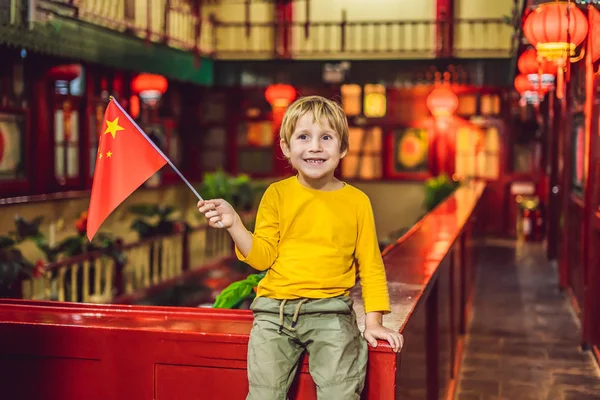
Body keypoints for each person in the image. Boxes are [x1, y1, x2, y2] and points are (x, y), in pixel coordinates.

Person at [198, 95, 403, 400]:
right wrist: (234, 224)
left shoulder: (357, 202)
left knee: (341, 394)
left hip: (330, 312)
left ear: (343, 148)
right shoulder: (276, 195)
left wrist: (374, 322)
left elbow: (371, 265)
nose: (315, 146)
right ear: (285, 147)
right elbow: (262, 257)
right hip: (274, 314)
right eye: (303, 137)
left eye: (327, 137)